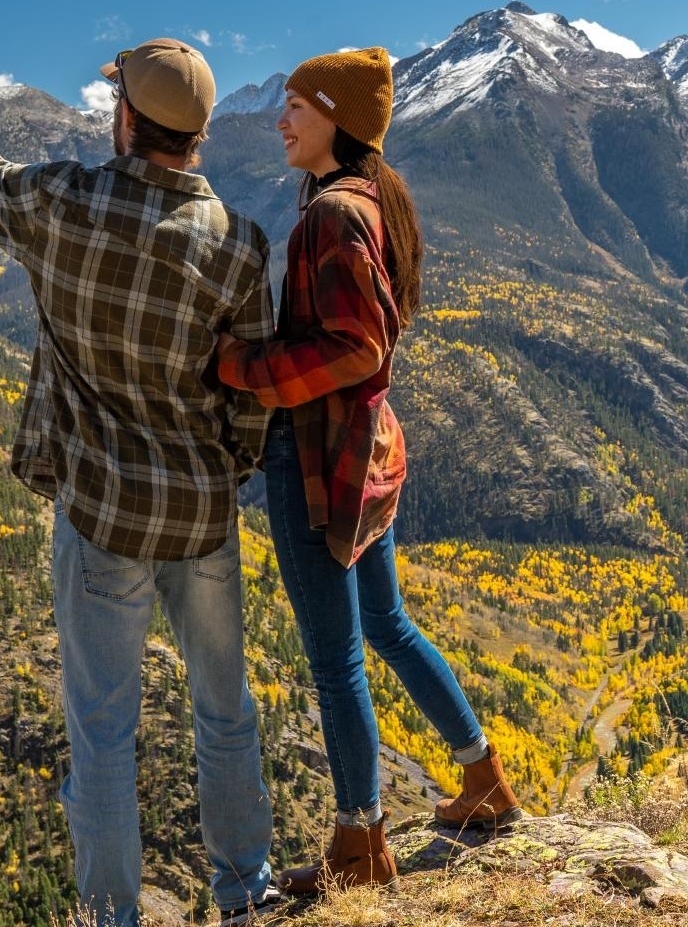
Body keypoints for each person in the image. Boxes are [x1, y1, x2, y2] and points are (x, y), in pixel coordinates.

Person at [0, 37, 280, 926]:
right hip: (202, 515)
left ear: (127, 118)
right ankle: (248, 890)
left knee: (103, 734)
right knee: (225, 710)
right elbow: (250, 400)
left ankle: (111, 917)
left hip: (99, 513)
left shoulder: (65, 204)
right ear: (199, 133)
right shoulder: (240, 246)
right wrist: (226, 475)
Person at [215, 47, 520, 895]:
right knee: (386, 625)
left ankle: (360, 844)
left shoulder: (330, 217)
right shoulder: (372, 197)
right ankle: (483, 779)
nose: (281, 122)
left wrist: (244, 367)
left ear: (337, 120)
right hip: (365, 449)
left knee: (336, 659)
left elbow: (357, 346)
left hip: (317, 458)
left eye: (297, 109)